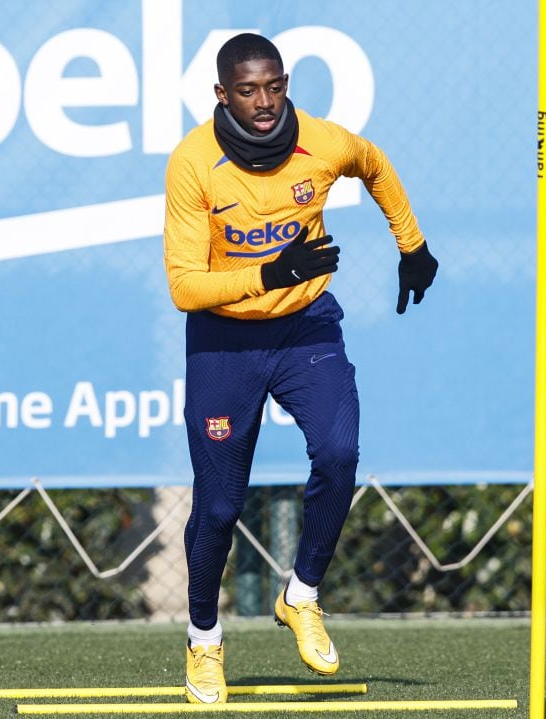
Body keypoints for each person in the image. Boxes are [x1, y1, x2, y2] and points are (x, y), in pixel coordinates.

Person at [163, 32, 438, 704]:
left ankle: (302, 594)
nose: (264, 102)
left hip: (305, 326)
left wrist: (413, 243)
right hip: (225, 341)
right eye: (249, 90)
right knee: (222, 506)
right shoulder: (194, 163)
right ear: (222, 95)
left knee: (340, 451)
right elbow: (184, 288)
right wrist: (268, 272)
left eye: (275, 86)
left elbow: (373, 162)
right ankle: (204, 639)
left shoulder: (321, 141)